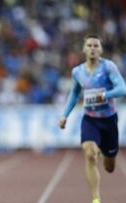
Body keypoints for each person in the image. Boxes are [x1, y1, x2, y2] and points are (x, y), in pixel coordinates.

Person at [59, 34, 126, 203]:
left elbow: (122, 89)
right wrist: (65, 115)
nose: (93, 48)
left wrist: (104, 95)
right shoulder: (77, 71)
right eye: (89, 45)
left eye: (96, 45)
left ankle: (106, 152)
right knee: (89, 154)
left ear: (101, 50)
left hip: (109, 120)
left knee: (109, 167)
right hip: (90, 119)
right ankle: (96, 198)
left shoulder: (108, 67)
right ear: (84, 49)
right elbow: (74, 94)